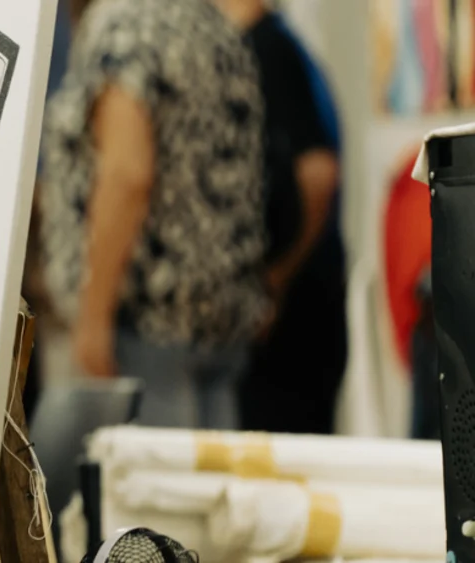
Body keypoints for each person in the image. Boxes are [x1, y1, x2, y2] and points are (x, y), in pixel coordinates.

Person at [37, 0, 270, 429]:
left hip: (144, 326)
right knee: (207, 489)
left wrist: (93, 317)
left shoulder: (125, 28)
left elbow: (127, 174)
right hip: (217, 323)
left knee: (152, 490)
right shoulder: (211, 25)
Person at [226, 2, 348, 435]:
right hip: (302, 301)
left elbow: (318, 174)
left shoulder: (267, 50)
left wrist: (275, 281)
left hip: (296, 316)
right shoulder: (278, 43)